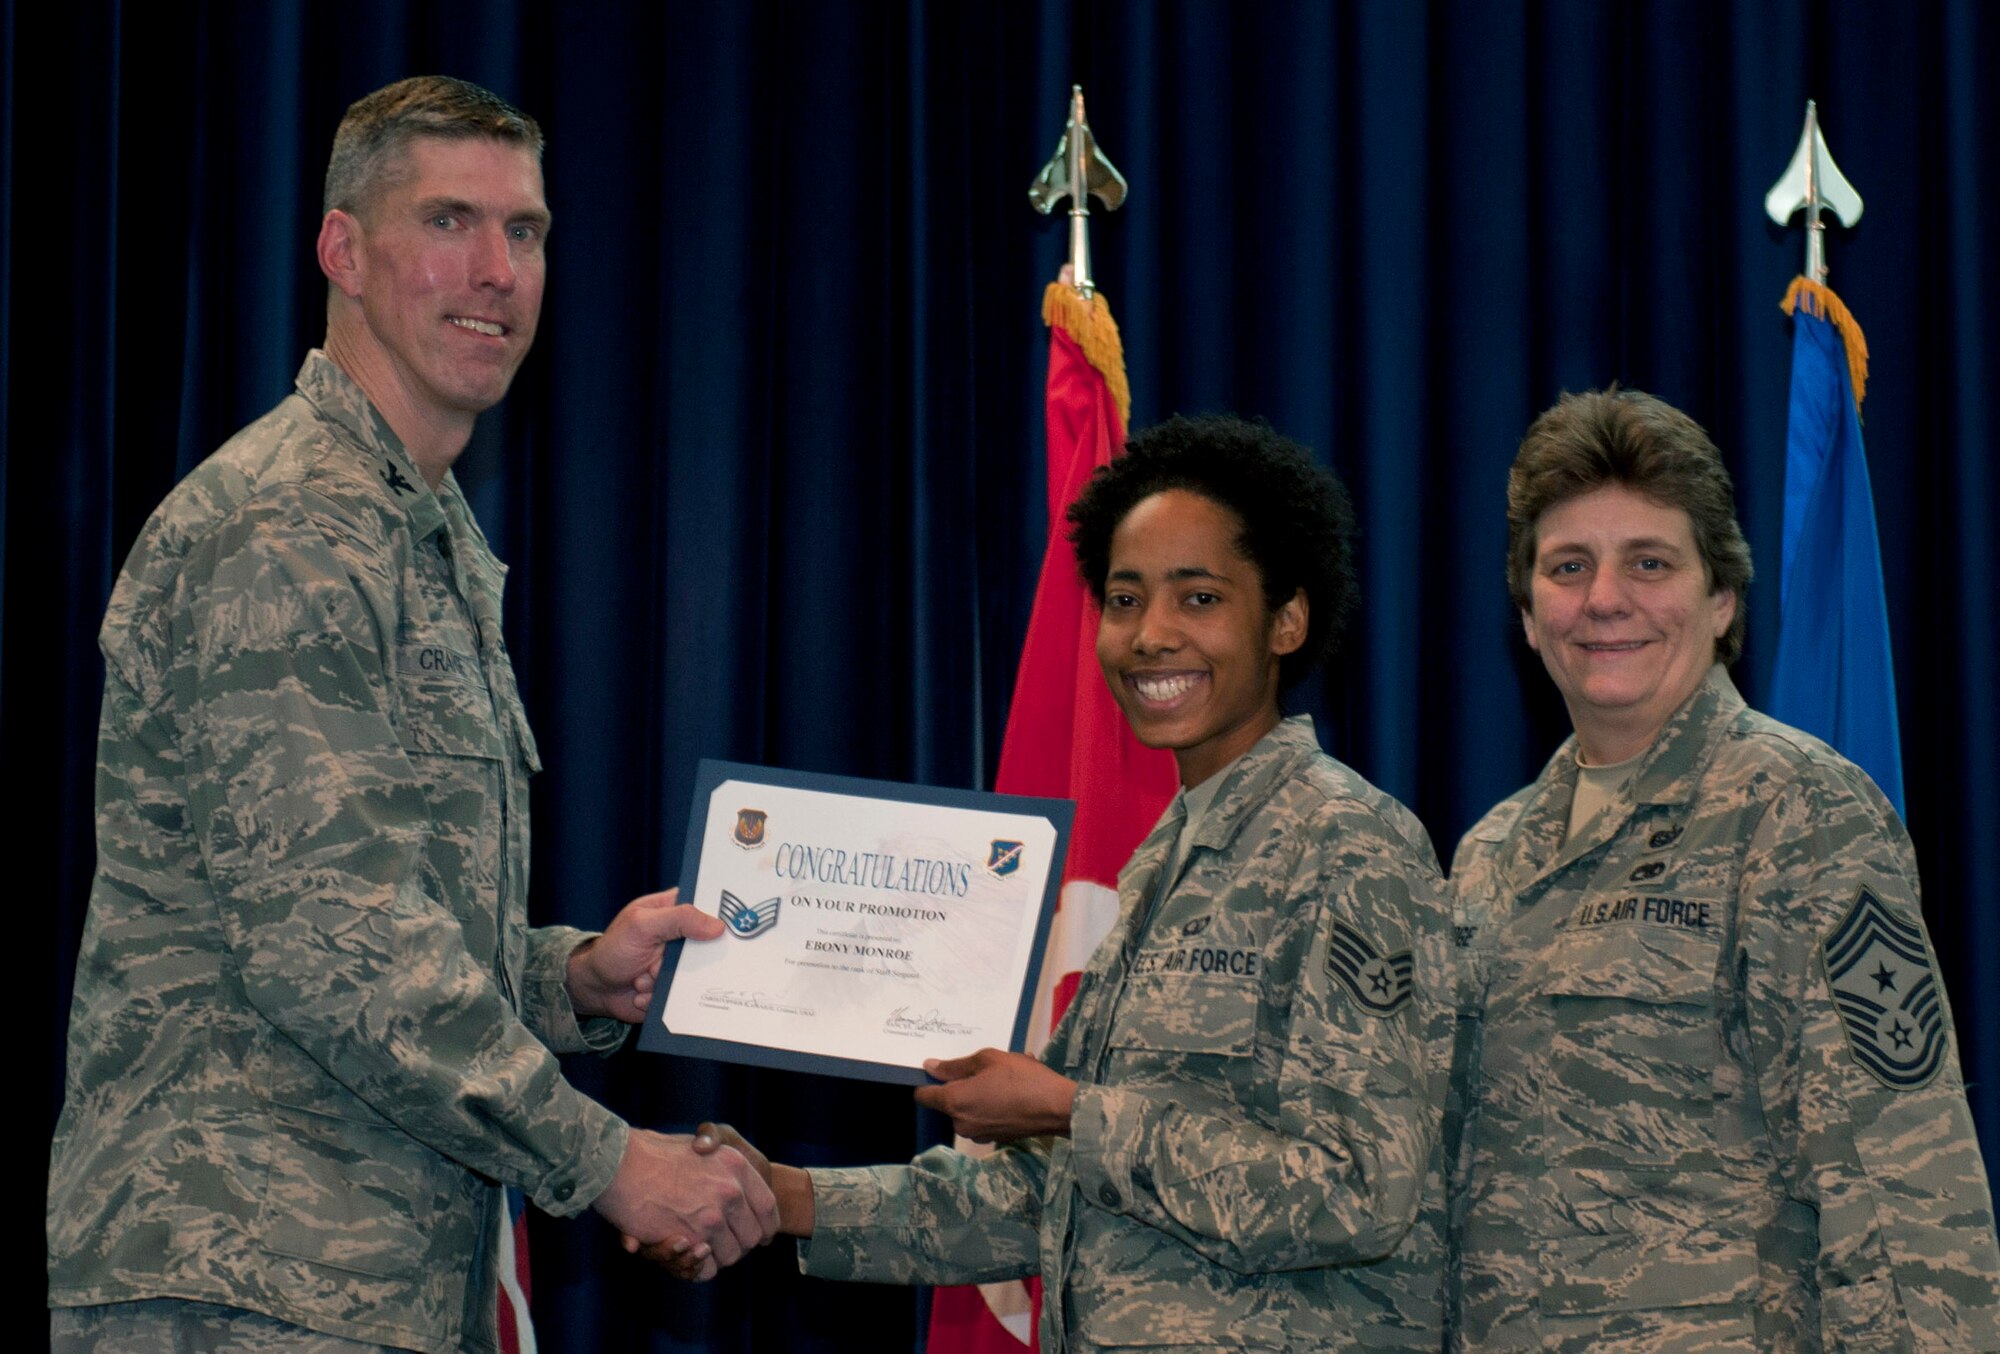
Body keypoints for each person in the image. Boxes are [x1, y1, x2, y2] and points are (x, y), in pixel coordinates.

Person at [46, 76, 775, 1353]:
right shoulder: (286, 525)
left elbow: (381, 909)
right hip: (243, 1278)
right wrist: (607, 1160)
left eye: (527, 232)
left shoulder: (414, 527)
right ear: (343, 250)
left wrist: (573, 979)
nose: (496, 271)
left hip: (357, 1281)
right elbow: (335, 940)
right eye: (448, 221)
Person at [670, 414, 1454, 1350]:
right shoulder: (1167, 861)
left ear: (1287, 618)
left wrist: (1072, 1111)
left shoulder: (1349, 843)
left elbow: (1359, 1191)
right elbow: (1054, 1194)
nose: (1151, 636)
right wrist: (788, 1199)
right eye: (1124, 601)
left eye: (1198, 598)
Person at [1447, 387, 2000, 1351]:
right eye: (1568, 567)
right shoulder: (1490, 856)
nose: (1605, 599)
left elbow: (1903, 1184)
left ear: (1722, 600)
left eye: (1649, 563)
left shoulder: (1803, 812)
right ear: (1529, 616)